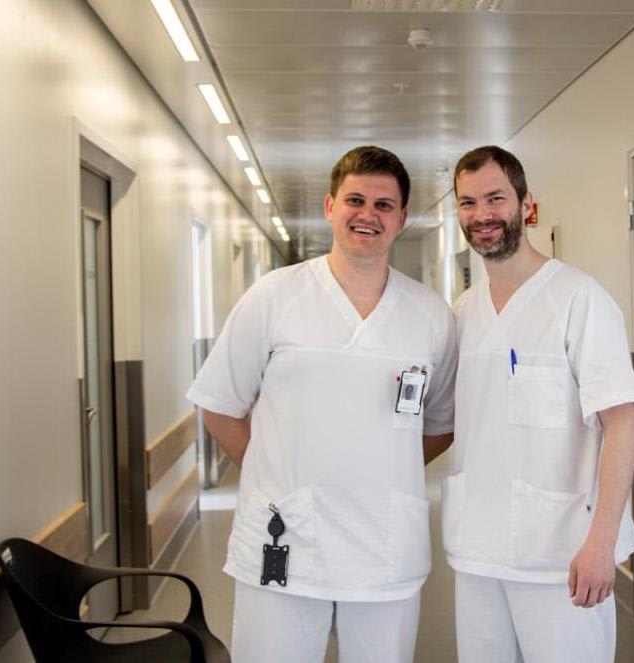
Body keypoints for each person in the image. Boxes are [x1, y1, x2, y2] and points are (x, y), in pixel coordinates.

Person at [187, 146, 456, 663]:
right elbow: (219, 404)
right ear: (330, 206)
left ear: (402, 218)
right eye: (355, 200)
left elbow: (441, 424)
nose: (368, 215)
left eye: (384, 205)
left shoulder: (431, 315)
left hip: (384, 546)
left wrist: (380, 467)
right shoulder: (274, 297)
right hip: (286, 535)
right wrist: (277, 470)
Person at [442, 145, 634, 662]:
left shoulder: (579, 299)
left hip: (563, 556)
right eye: (468, 202)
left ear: (526, 205)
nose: (482, 215)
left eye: (495, 198)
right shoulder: (463, 312)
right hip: (478, 552)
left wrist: (601, 544)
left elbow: (622, 424)